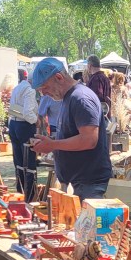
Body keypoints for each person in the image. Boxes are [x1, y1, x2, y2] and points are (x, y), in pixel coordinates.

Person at [30, 57, 112, 200]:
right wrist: (51, 142)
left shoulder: (81, 98)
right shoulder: (69, 97)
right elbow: (72, 134)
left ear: (59, 77)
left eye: (45, 88)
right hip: (77, 183)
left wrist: (53, 145)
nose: (44, 94)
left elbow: (89, 140)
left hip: (87, 184)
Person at [7, 64, 40, 198]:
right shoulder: (30, 90)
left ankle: (20, 191)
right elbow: (27, 113)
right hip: (24, 126)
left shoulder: (18, 87)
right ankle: (29, 194)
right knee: (29, 161)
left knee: (19, 161)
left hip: (14, 125)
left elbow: (13, 108)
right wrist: (36, 120)